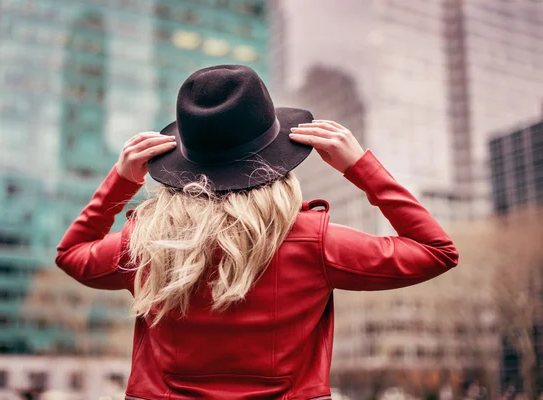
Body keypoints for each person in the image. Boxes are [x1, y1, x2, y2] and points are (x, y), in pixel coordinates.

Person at [56, 65, 459, 399]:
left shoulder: (148, 245)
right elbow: (437, 251)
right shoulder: (314, 243)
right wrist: (361, 167)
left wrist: (121, 180)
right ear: (279, 156)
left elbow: (71, 254)